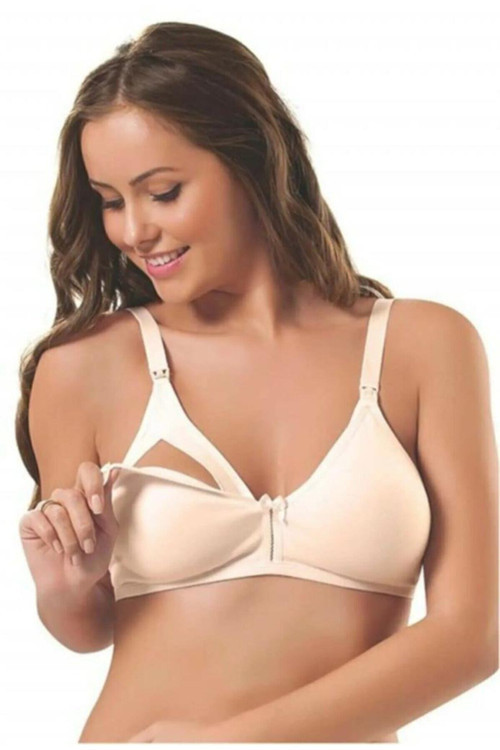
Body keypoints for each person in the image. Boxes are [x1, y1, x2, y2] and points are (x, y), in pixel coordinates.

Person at [17, 22, 498, 744]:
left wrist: (229, 742)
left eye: (163, 192)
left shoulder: (423, 347)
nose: (134, 231)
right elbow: (89, 630)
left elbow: (473, 635)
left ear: (253, 160)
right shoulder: (86, 366)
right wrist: (64, 588)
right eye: (111, 201)